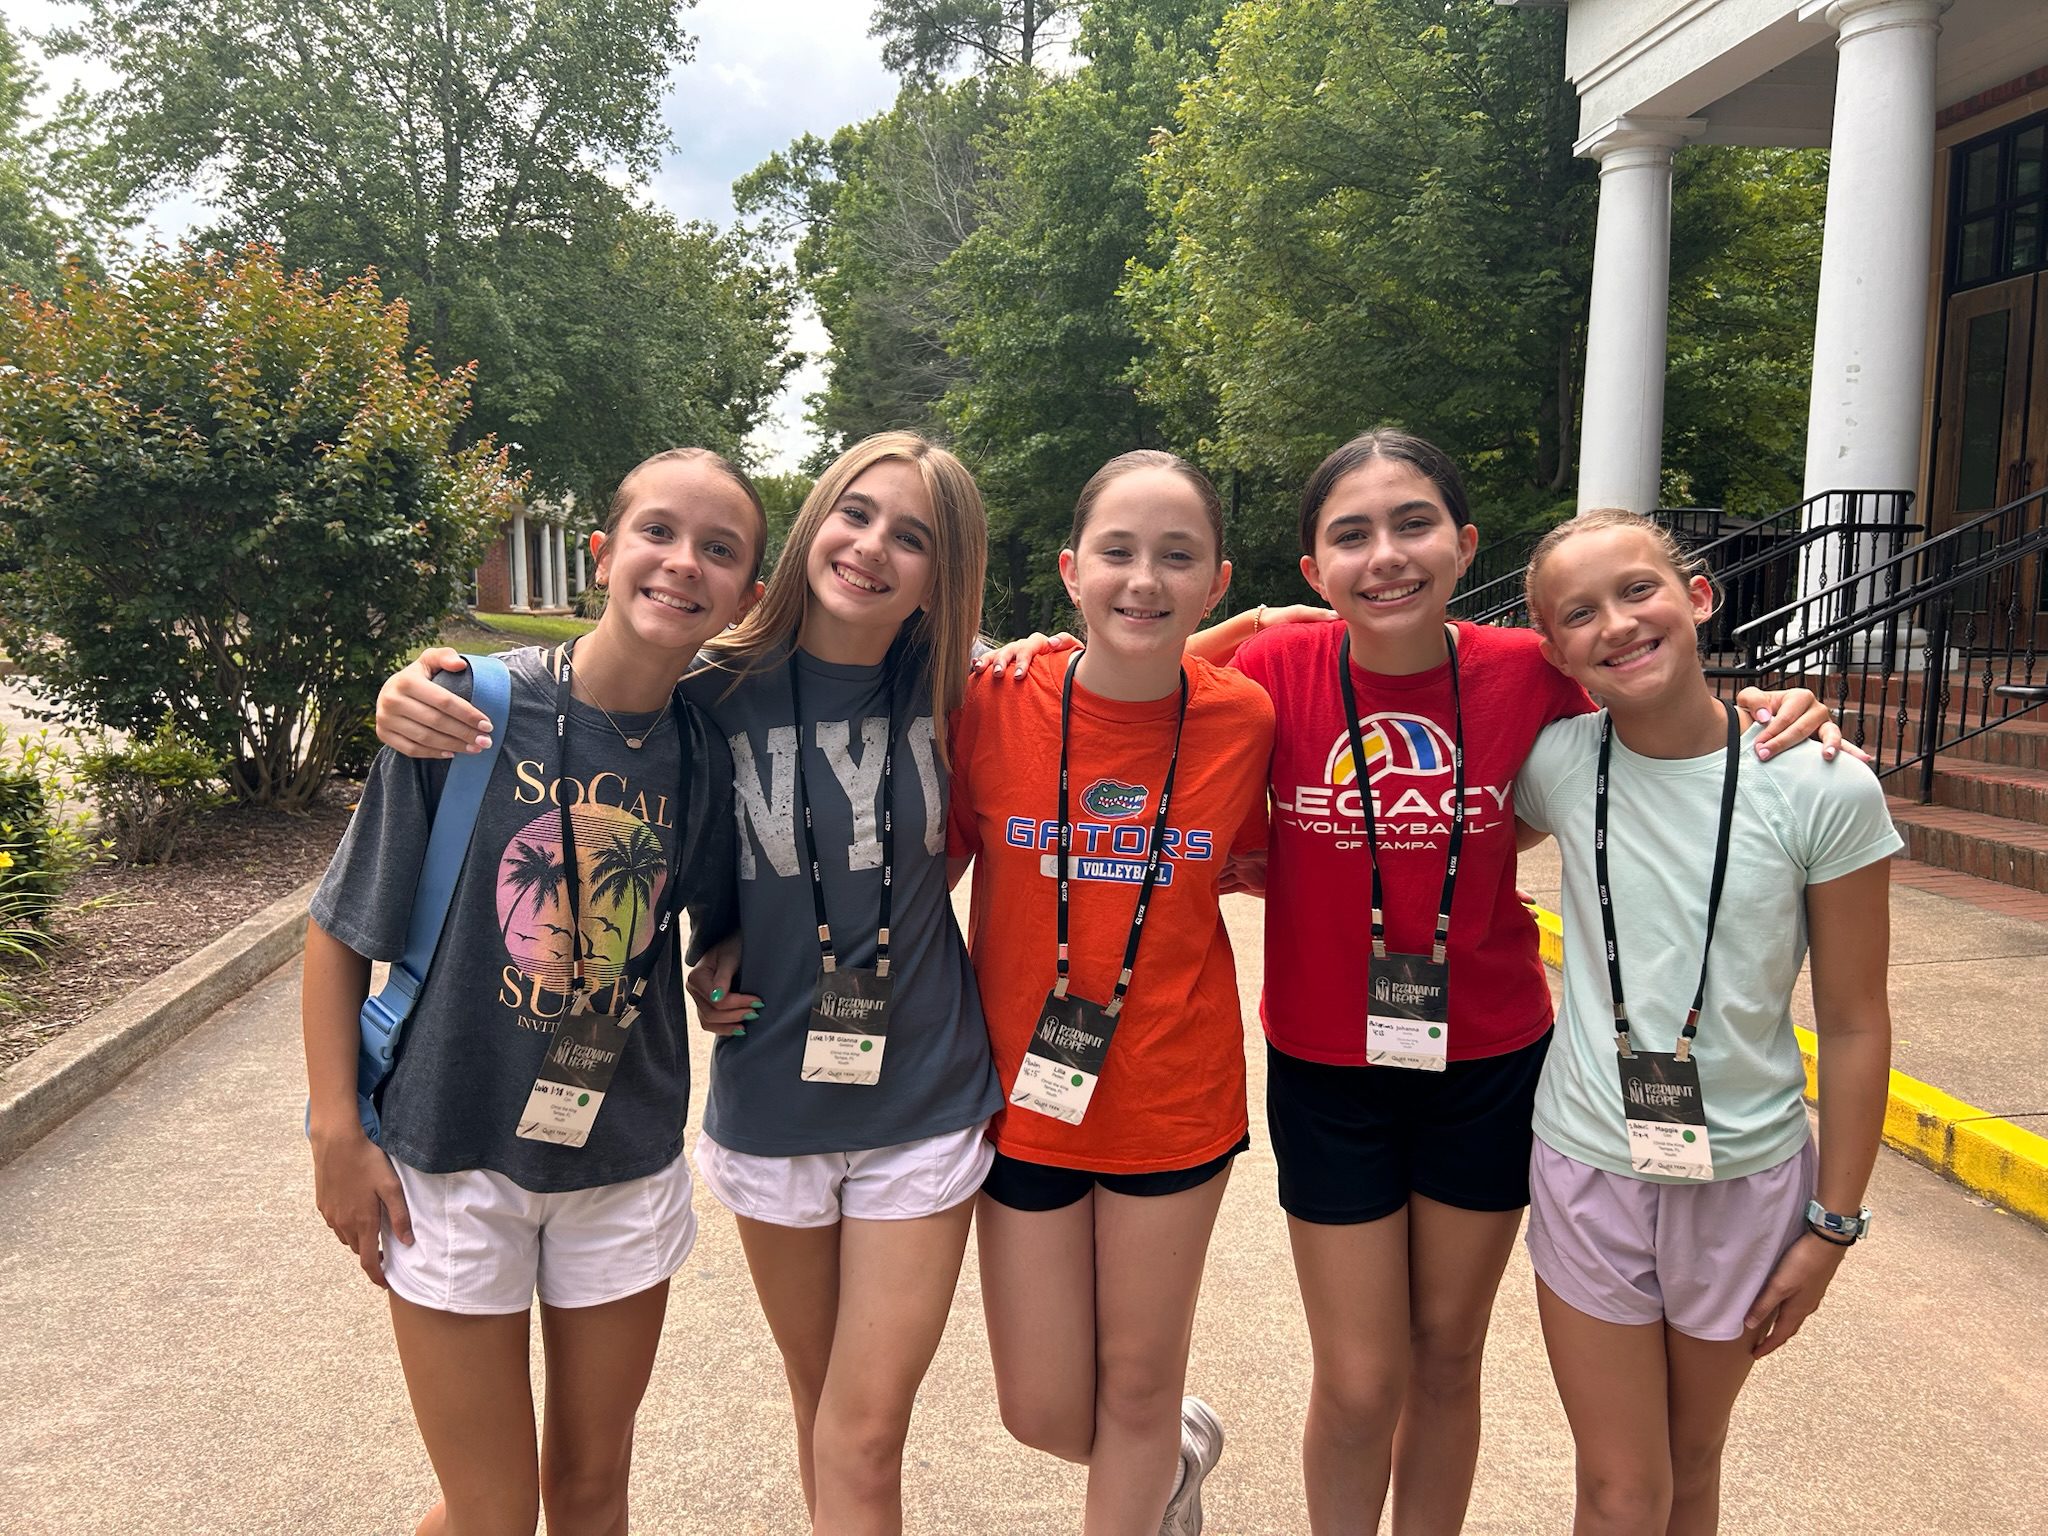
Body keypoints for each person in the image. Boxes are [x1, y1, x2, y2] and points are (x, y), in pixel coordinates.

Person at [978, 428, 1852, 1536]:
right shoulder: (1269, 675)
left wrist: (1779, 710)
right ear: (1314, 571)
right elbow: (1146, 664)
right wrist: (1037, 646)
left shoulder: (1529, 673)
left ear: (1463, 544)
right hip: (1325, 1067)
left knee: (1445, 1358)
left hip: (1486, 1063)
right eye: (1352, 535)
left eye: (1413, 524)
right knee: (1357, 1381)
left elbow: (1656, 702)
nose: (1385, 555)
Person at [375, 430, 1002, 1536]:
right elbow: (618, 752)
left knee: (862, 1434)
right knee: (821, 1404)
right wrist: (416, 689)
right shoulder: (708, 691)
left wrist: (1270, 624)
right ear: (811, 527)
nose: (872, 548)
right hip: (771, 1099)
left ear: (942, 574)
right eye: (856, 514)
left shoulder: (966, 685)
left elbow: (1126, 668)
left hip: (924, 1095)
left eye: (912, 537)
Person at [302, 447, 761, 1536]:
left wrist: (724, 963)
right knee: (493, 1512)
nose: (682, 563)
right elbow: (340, 928)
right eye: (657, 532)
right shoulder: (463, 709)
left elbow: (711, 914)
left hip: (621, 1158)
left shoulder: (708, 751)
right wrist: (335, 1133)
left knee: (593, 1494)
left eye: (719, 549)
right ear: (602, 553)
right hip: (451, 1155)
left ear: (745, 595)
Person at [1513, 509, 1896, 1536]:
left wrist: (1832, 1227)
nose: (1616, 623)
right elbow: (1436, 830)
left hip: (1748, 1181)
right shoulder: (1556, 764)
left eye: (1638, 590)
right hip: (1587, 1165)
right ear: (1554, 650)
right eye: (1578, 614)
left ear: (1698, 598)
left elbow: (1855, 1022)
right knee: (1620, 1486)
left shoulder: (1821, 784)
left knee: (1690, 1461)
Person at [946, 452, 1273, 1536]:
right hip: (1021, 1099)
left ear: (1214, 582)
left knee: (1136, 1383)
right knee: (1039, 1409)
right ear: (1070, 571)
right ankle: (1171, 1458)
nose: (1144, 579)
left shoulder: (1246, 722)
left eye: (1176, 556)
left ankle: (1145, 1465)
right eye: (1117, 552)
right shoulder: (993, 702)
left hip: (1172, 1098)